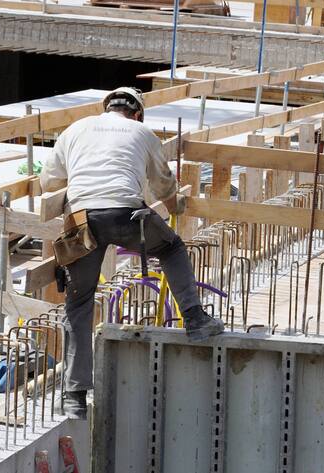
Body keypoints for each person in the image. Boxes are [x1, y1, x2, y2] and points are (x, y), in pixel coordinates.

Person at [40, 87, 225, 419]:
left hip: (83, 221)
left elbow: (49, 181)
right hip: (127, 215)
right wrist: (175, 204)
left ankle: (74, 396)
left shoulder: (75, 129)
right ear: (138, 113)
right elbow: (163, 185)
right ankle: (195, 319)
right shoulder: (143, 132)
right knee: (171, 247)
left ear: (106, 107)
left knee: (79, 305)